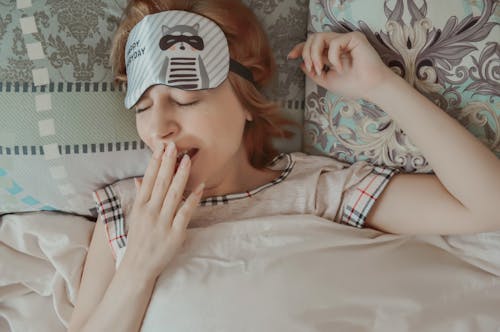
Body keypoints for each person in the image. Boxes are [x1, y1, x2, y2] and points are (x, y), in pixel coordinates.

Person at [68, 0, 500, 330]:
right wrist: (140, 265)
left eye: (186, 100)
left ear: (247, 102)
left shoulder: (317, 189)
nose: (158, 127)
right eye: (143, 106)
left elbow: (487, 206)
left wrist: (381, 86)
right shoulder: (128, 211)